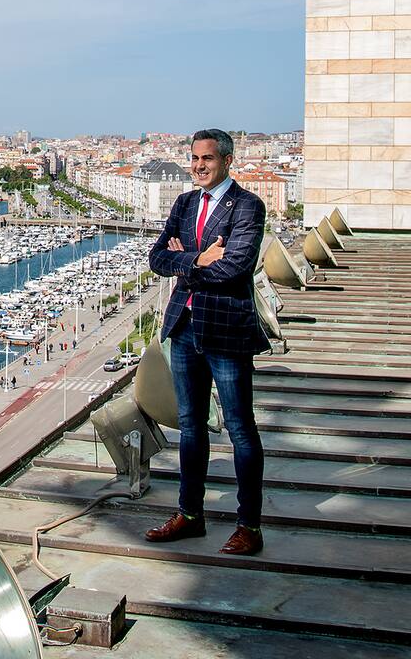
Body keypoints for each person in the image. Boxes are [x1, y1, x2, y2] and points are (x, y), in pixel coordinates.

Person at [144, 128, 267, 557]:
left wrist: (185, 263)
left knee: (239, 428)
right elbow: (157, 258)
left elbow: (235, 268)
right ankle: (190, 515)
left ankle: (249, 525)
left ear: (227, 161)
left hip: (227, 330)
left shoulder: (248, 206)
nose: (198, 166)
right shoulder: (184, 202)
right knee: (190, 425)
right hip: (184, 325)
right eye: (194, 158)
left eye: (207, 159)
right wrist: (197, 257)